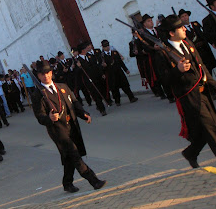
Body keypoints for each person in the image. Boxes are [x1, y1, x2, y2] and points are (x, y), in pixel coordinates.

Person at [156, 15, 216, 173]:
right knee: (210, 128)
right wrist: (177, 70)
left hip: (204, 92)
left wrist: (214, 84)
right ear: (171, 33)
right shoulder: (163, 53)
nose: (184, 28)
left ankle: (191, 152)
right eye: (180, 27)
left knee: (210, 125)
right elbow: (164, 80)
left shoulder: (187, 43)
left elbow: (201, 65)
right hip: (189, 97)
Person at [31, 60, 107, 192]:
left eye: (47, 73)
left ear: (51, 72)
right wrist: (48, 118)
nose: (45, 76)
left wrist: (84, 114)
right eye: (42, 74)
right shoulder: (38, 94)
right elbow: (39, 116)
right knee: (74, 154)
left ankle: (67, 183)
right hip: (57, 130)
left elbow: (74, 103)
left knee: (68, 157)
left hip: (71, 126)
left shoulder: (63, 86)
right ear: (38, 76)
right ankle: (94, 181)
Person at [141, 14, 174, 102]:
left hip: (166, 54)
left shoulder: (158, 30)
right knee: (163, 76)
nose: (150, 22)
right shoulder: (144, 35)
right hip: (156, 57)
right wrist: (153, 48)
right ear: (144, 24)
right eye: (148, 21)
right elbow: (145, 47)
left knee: (172, 71)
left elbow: (165, 38)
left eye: (151, 20)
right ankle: (170, 96)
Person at [178, 9, 216, 76]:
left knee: (209, 69)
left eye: (186, 15)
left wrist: (212, 43)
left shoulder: (195, 24)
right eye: (183, 16)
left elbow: (204, 35)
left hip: (204, 51)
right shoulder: (182, 30)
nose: (185, 18)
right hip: (196, 52)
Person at [101, 39, 138, 105]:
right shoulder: (102, 56)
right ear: (103, 47)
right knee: (114, 89)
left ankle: (131, 97)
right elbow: (100, 67)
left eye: (108, 45)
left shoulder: (115, 53)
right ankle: (117, 101)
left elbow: (121, 62)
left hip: (119, 72)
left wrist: (126, 69)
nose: (107, 47)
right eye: (105, 46)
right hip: (110, 74)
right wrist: (103, 69)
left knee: (125, 85)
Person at [76, 42, 107, 116]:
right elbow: (77, 73)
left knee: (101, 91)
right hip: (89, 80)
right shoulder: (78, 60)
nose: (87, 49)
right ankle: (102, 109)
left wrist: (102, 73)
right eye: (85, 48)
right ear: (82, 50)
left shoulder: (90, 56)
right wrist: (78, 67)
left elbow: (96, 66)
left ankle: (99, 104)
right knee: (95, 94)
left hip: (97, 77)